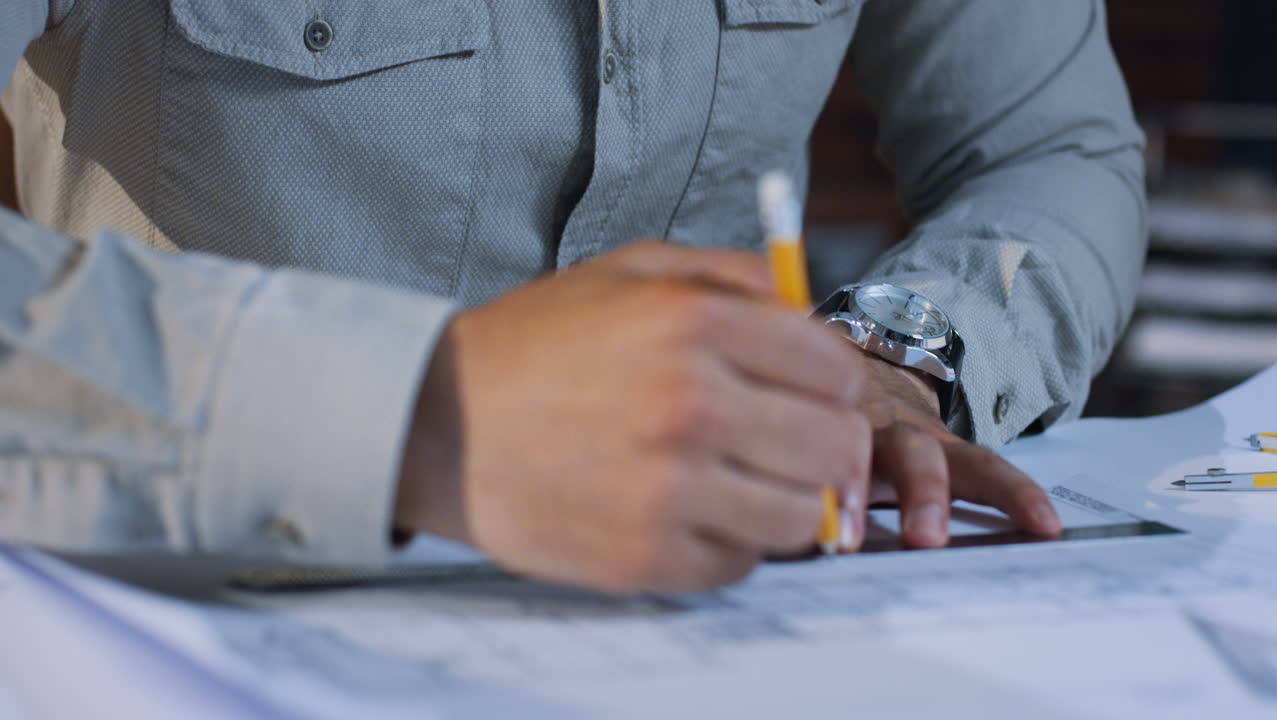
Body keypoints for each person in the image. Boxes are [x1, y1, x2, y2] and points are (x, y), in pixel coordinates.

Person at [0, 0, 1144, 592]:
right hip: (192, 607)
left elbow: (1047, 149)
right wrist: (414, 418)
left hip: (738, 626)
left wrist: (891, 358)